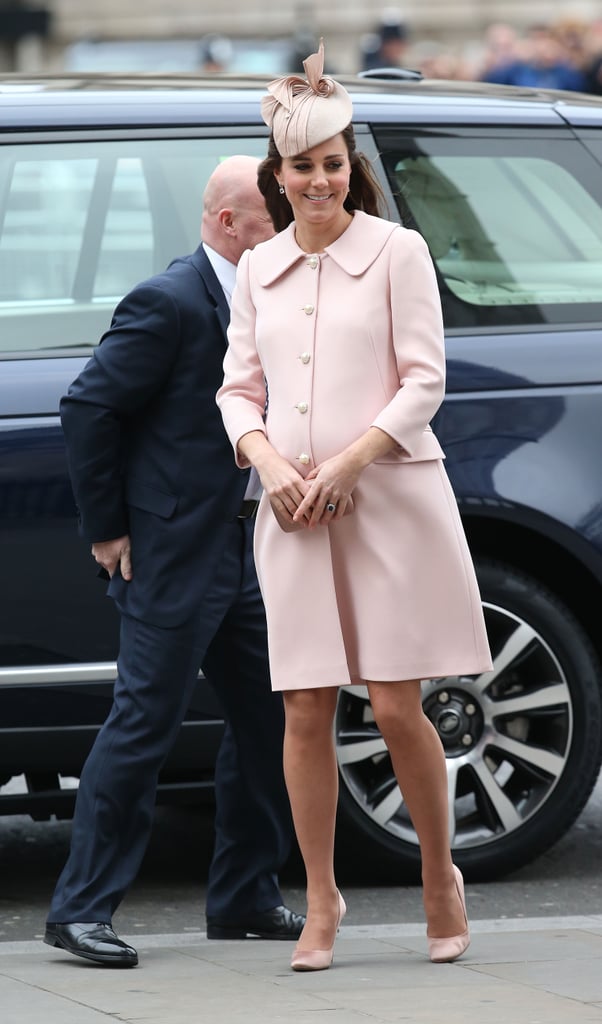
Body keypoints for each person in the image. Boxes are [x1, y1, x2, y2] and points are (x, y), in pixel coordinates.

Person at [216, 42, 493, 972]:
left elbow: (424, 381)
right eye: (305, 166)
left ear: (350, 169)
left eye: (335, 164)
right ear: (279, 176)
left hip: (385, 499)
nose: (322, 179)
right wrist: (267, 460)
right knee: (302, 707)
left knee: (394, 704)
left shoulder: (398, 250)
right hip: (292, 508)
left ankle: (437, 875)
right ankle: (322, 899)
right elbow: (235, 390)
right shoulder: (257, 270)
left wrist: (349, 462)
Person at [43, 155, 304, 968]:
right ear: (231, 223)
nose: (291, 225)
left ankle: (244, 897)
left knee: (274, 719)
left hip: (254, 548)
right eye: (276, 213)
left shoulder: (276, 298)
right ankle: (79, 911)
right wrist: (109, 528)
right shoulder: (168, 300)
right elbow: (89, 406)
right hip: (172, 552)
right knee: (144, 724)